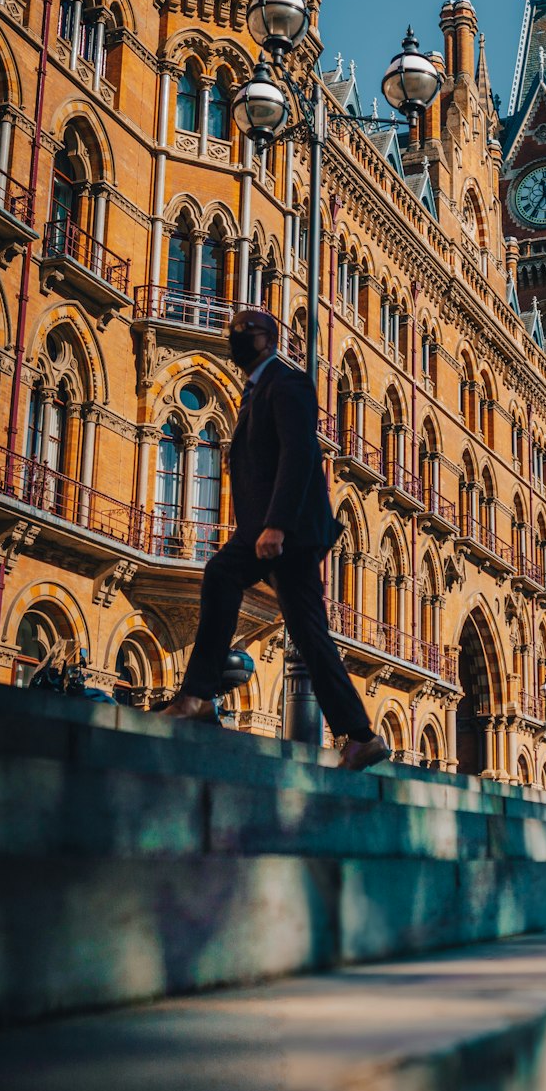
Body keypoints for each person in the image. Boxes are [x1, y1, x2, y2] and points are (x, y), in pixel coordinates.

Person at [162, 310, 388, 771]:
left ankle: (198, 697)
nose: (235, 342)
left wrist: (277, 525)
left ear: (268, 340)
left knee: (243, 587)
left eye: (243, 334)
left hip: (288, 532)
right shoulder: (259, 388)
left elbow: (300, 453)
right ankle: (360, 736)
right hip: (271, 529)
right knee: (301, 627)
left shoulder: (287, 382)